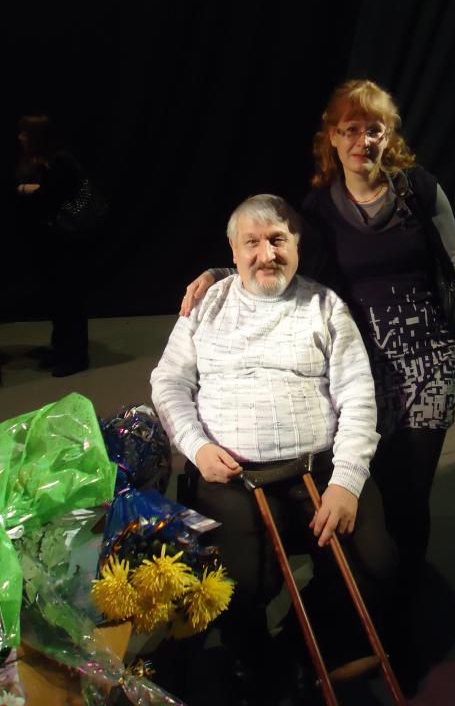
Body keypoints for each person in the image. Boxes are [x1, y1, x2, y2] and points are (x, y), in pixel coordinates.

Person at [180, 81, 455, 662]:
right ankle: (344, 605)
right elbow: (275, 252)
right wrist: (218, 274)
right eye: (350, 129)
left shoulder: (418, 188)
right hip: (360, 357)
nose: (361, 140)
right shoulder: (320, 206)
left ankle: (395, 617)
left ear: (387, 136)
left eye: (373, 129)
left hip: (424, 360)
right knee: (371, 489)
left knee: (409, 498)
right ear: (333, 137)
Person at [151, 194, 397, 702]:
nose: (267, 254)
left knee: (375, 564)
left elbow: (358, 395)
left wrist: (347, 482)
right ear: (233, 250)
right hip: (230, 474)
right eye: (253, 243)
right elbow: (169, 382)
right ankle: (251, 653)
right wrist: (196, 446)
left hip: (317, 468)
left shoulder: (327, 306)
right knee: (243, 583)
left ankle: (299, 650)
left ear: (297, 246)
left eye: (278, 240)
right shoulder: (206, 306)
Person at [16, 115, 89, 377]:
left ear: (37, 137)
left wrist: (24, 189)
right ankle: (61, 348)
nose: (20, 138)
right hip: (47, 246)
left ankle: (77, 356)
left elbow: (49, 198)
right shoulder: (38, 164)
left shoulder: (60, 163)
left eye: (25, 133)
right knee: (56, 301)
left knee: (69, 301)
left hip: (65, 246)